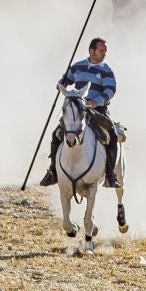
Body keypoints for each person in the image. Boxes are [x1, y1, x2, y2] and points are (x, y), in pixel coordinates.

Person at [38, 37, 121, 188]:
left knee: (113, 135)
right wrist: (61, 83)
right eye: (101, 50)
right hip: (78, 109)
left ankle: (110, 174)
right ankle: (53, 172)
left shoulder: (106, 71)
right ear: (92, 51)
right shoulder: (77, 67)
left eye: (105, 51)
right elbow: (66, 80)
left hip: (98, 111)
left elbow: (110, 90)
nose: (104, 53)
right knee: (56, 133)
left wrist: (97, 101)